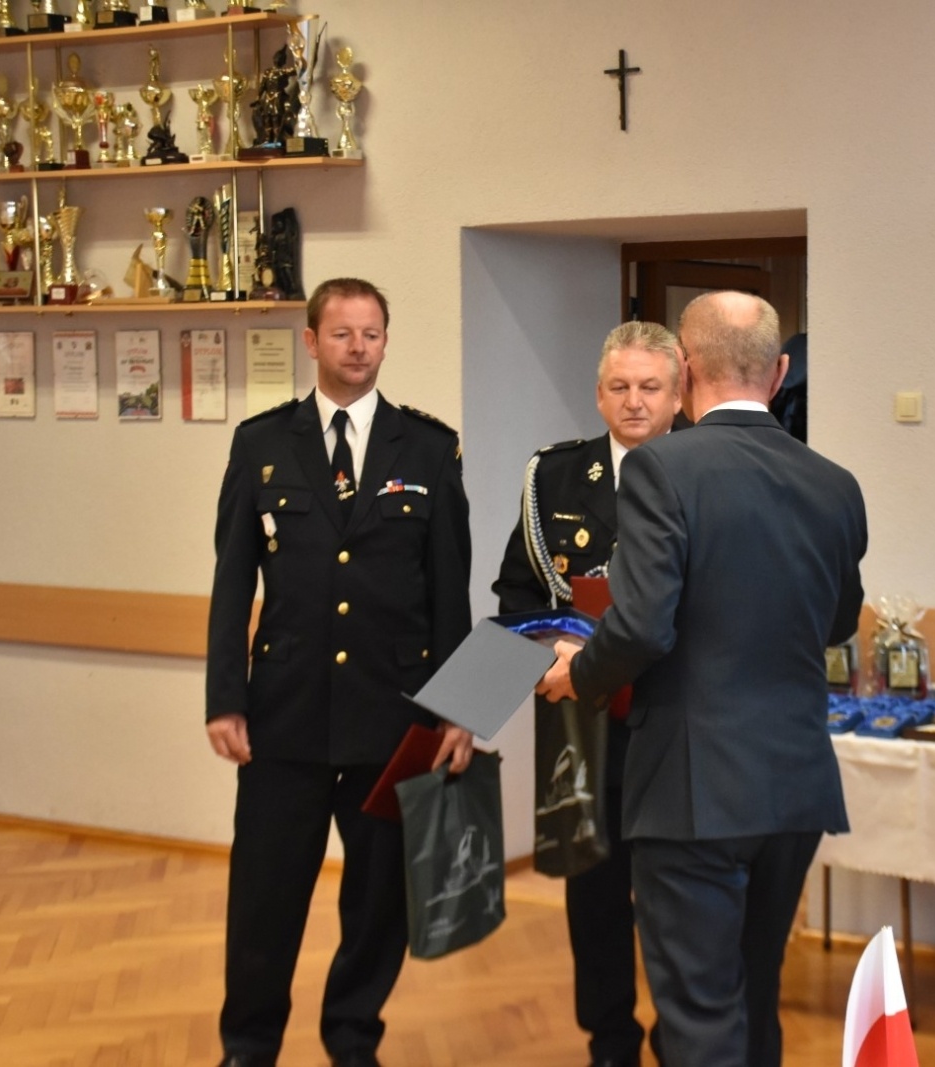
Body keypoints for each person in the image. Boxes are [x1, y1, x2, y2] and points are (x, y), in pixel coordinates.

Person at [537, 291, 867, 1067]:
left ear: (684, 371)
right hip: (793, 779)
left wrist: (578, 675)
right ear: (781, 371)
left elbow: (645, 624)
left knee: (698, 1009)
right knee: (756, 992)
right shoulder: (833, 480)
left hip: (693, 784)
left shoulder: (663, 467)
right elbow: (842, 622)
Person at [205, 276, 475, 1067]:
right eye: (343, 333)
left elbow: (449, 591)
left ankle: (353, 1037)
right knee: (264, 897)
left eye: (372, 334)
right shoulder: (262, 442)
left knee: (380, 899)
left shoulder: (428, 447)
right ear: (311, 340)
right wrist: (225, 696)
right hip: (283, 716)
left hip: (394, 719)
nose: (359, 348)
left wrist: (458, 709)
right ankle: (248, 1045)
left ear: (386, 341)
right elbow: (232, 583)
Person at [491, 319, 683, 1067]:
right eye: (619, 387)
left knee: (673, 891)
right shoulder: (556, 476)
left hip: (675, 718)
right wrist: (529, 664)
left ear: (679, 392)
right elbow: (517, 592)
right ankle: (608, 1040)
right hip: (583, 718)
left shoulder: (705, 467)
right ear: (598, 394)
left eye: (650, 387)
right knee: (593, 894)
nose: (634, 402)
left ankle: (680, 1036)